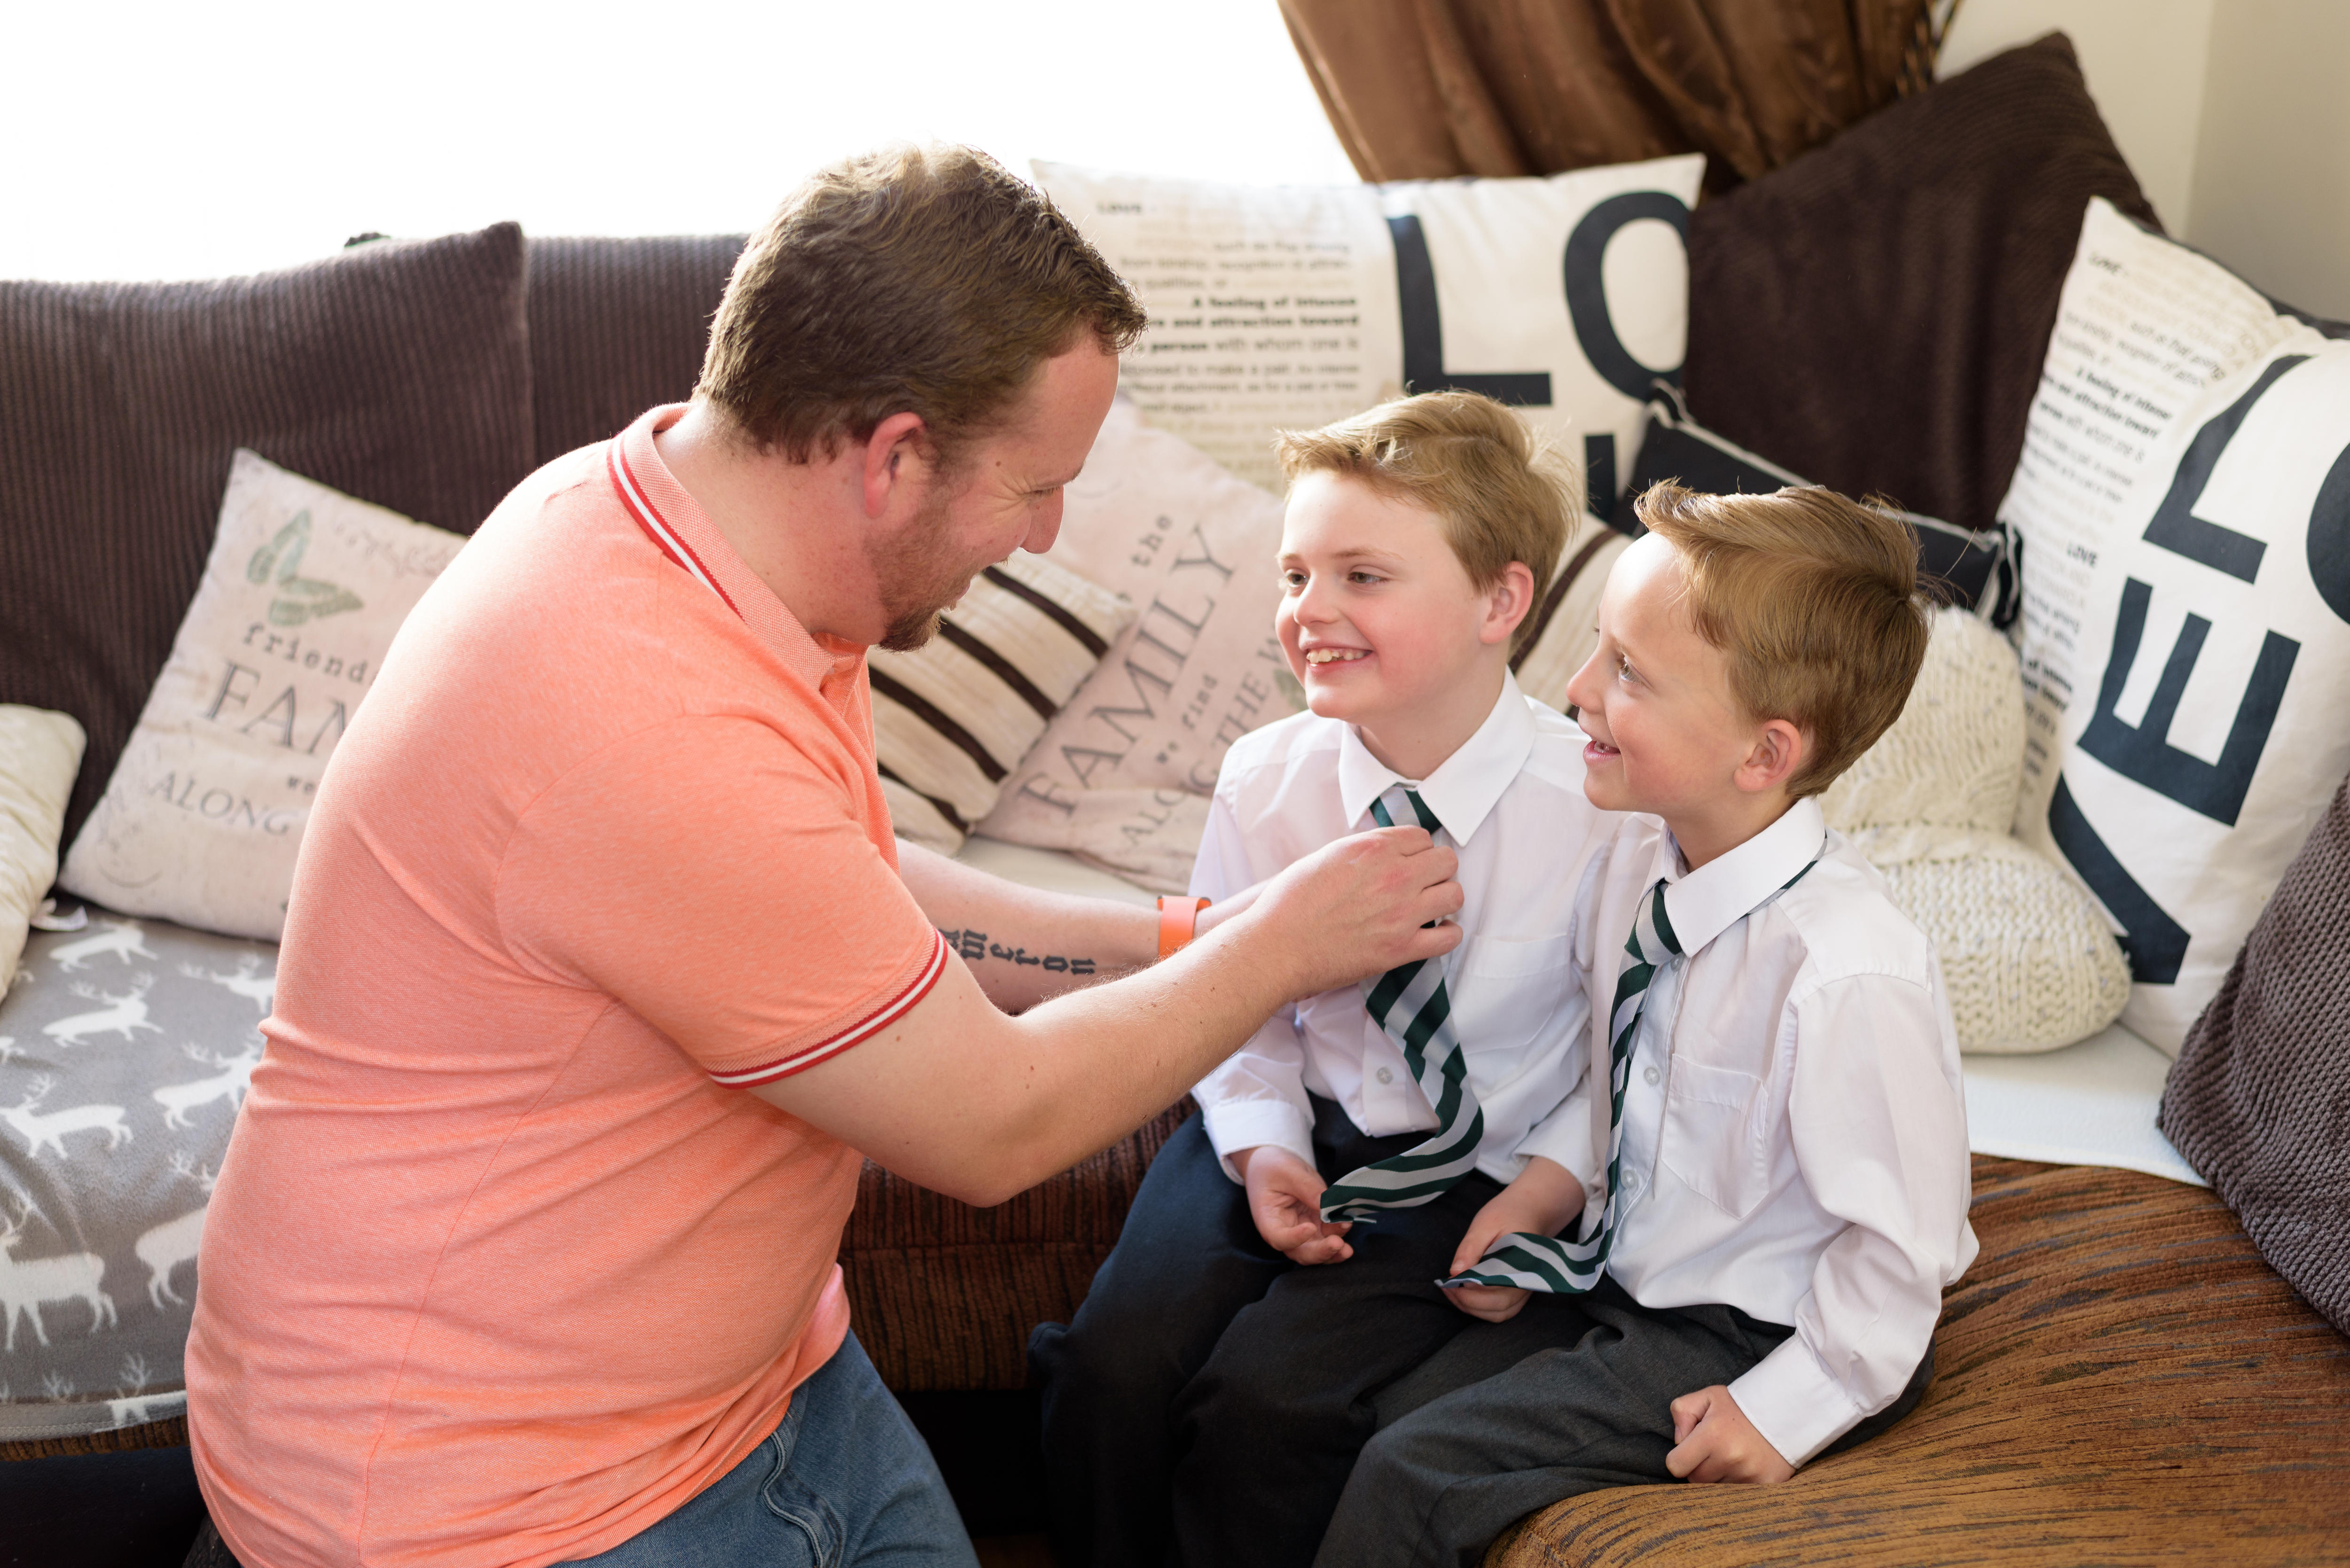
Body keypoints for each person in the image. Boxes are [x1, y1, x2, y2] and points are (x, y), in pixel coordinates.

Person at [180, 145, 1465, 1568]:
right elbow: (999, 1125)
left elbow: (828, 885)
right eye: (1035, 488)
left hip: (757, 1392)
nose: (1046, 536)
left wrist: (1181, 931)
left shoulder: (695, 530)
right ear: (894, 457)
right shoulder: (639, 712)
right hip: (484, 1502)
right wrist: (1284, 948)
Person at [1311, 482, 1980, 1568]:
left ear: (1762, 756)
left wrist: (1789, 1404)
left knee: (1414, 1475)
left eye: (1626, 672)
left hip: (1754, 1327)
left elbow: (1904, 1251)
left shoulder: (1846, 973)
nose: (1573, 690)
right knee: (1379, 1414)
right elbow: (1621, 1075)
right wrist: (1546, 1188)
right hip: (1617, 1275)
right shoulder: (1635, 857)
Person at [1031, 391, 1621, 1568]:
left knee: (1267, 1409)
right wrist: (1262, 1146)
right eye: (1297, 576)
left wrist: (1541, 1198)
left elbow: (1624, 1054)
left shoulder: (1601, 817)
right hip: (1291, 1119)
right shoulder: (1269, 777)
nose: (1312, 613)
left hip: (1460, 1170)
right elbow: (1234, 999)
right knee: (1114, 1360)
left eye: (1363, 577)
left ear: (1500, 601)